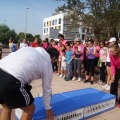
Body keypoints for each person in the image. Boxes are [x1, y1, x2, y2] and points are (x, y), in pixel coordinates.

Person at [0, 47, 59, 120]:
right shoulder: (47, 63)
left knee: (6, 108)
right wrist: (48, 109)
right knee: (29, 110)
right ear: (53, 58)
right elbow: (47, 89)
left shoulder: (29, 49)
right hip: (10, 80)